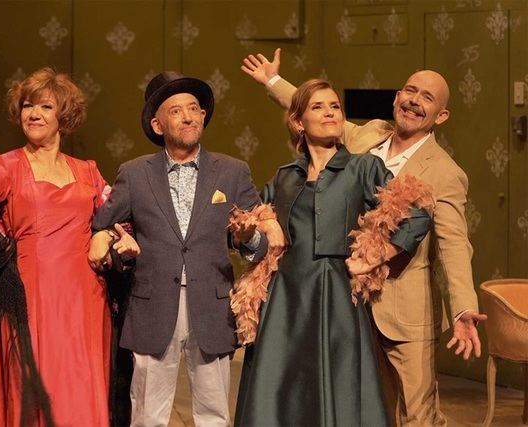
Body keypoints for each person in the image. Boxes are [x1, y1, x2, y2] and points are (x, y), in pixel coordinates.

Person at [243, 49, 486, 426]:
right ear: (397, 97)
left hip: (402, 310)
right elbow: (315, 111)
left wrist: (463, 308)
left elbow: (454, 244)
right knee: (367, 410)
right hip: (346, 304)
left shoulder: (444, 172)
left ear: (441, 116)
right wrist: (272, 81)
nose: (414, 101)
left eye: (427, 98)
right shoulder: (369, 136)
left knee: (416, 415)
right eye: (410, 91)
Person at [0, 67, 136, 426]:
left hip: (85, 299)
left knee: (79, 385)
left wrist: (106, 236)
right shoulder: (6, 166)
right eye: (28, 106)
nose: (34, 114)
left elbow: (121, 221)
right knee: (34, 384)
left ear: (64, 116)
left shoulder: (87, 171)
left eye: (45, 106)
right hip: (31, 296)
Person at [234, 78, 432, 426]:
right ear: (298, 122)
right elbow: (248, 234)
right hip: (285, 302)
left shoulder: (363, 168)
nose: (330, 113)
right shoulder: (285, 177)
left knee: (337, 390)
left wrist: (376, 255)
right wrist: (259, 227)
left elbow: (417, 215)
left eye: (335, 106)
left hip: (337, 299)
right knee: (280, 393)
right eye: (318, 107)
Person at [89, 71, 278, 427]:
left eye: (194, 109)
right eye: (176, 111)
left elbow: (260, 244)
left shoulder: (233, 172)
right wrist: (117, 245)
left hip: (212, 305)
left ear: (203, 116)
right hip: (152, 305)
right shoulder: (135, 173)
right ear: (157, 125)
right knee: (148, 415)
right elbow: (101, 226)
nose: (188, 117)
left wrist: (247, 238)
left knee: (214, 414)